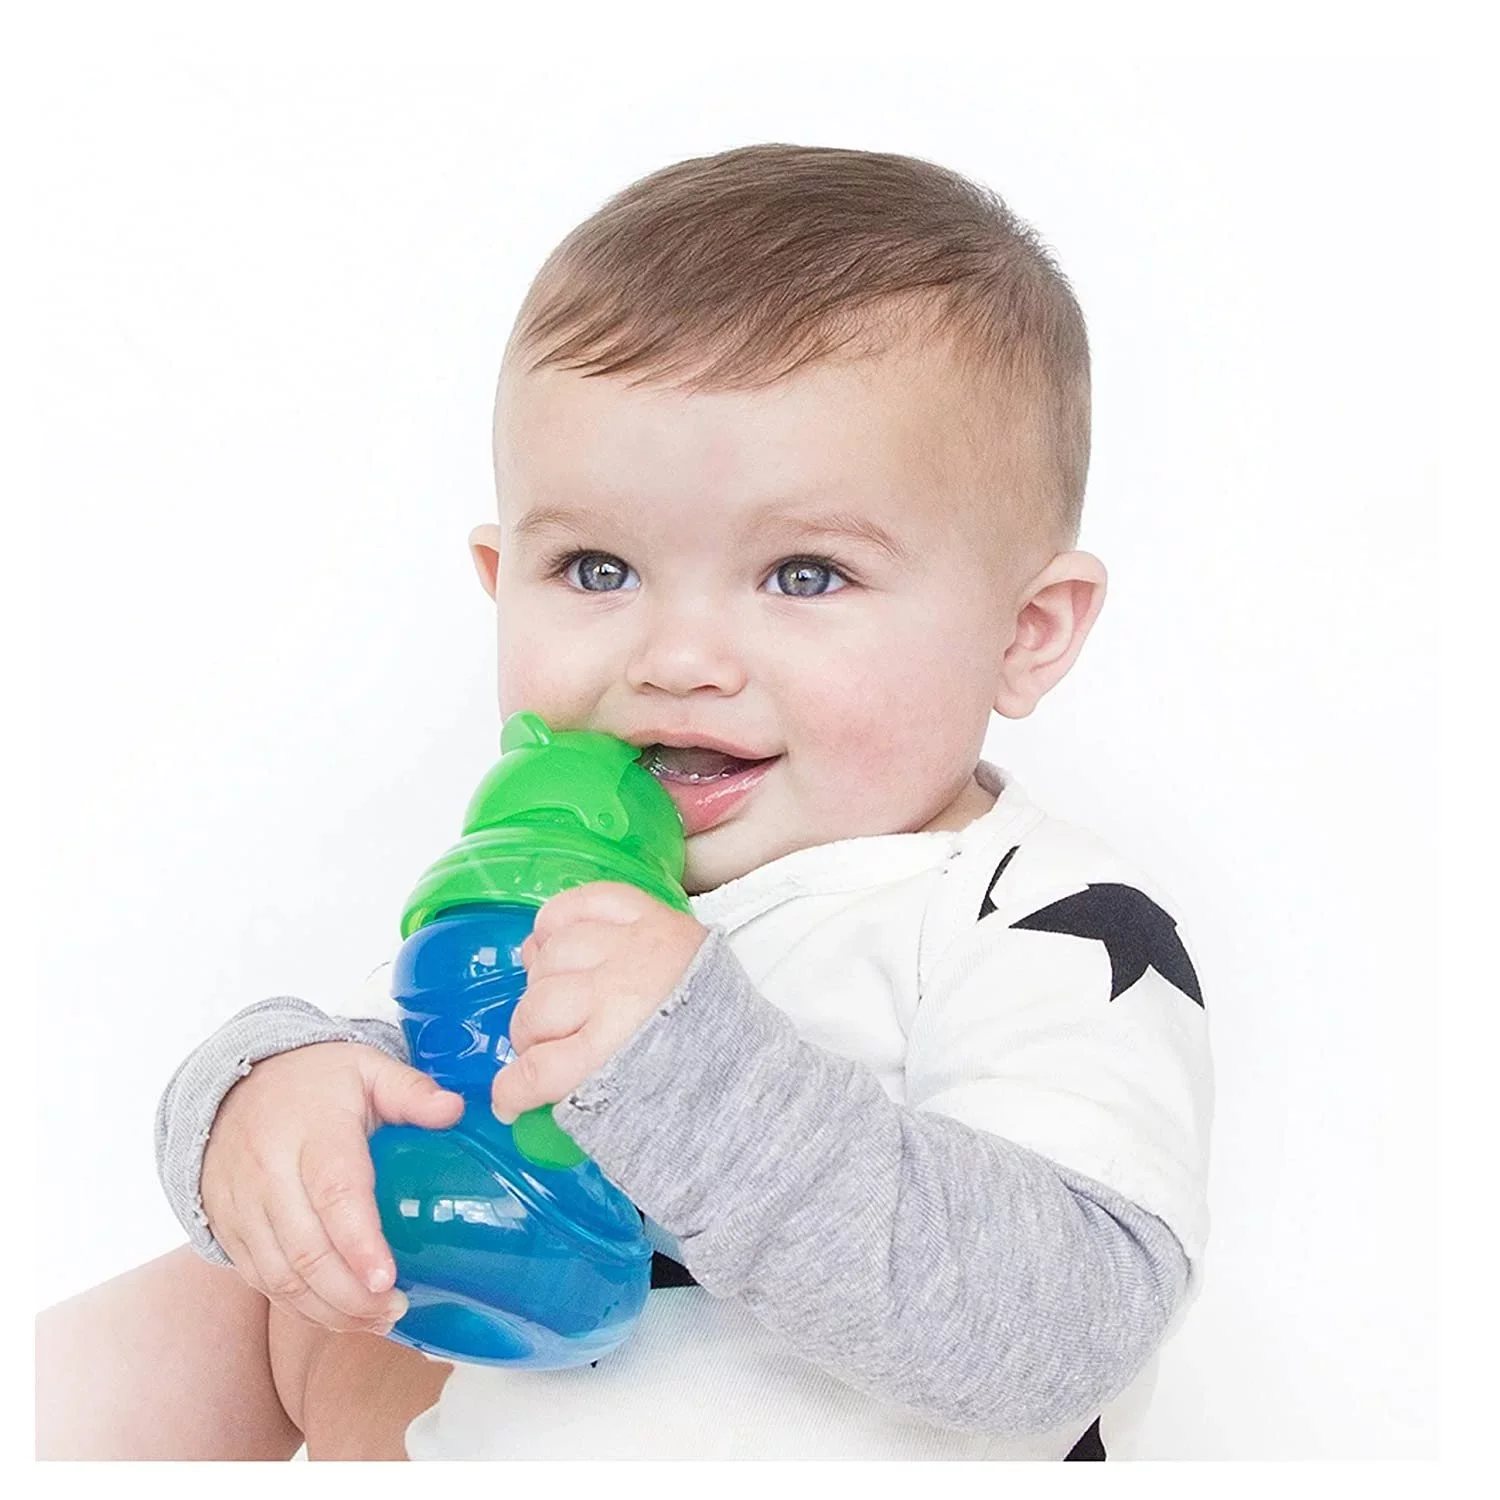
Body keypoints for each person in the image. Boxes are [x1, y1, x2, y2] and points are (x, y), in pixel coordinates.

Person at [35, 141, 1213, 1461]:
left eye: (805, 575)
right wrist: (263, 1100)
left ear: (1026, 633)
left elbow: (1057, 1331)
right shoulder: (561, 881)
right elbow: (400, 1070)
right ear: (501, 582)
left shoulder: (1039, 921)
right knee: (257, 1280)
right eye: (597, 568)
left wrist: (687, 1070)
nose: (677, 656)